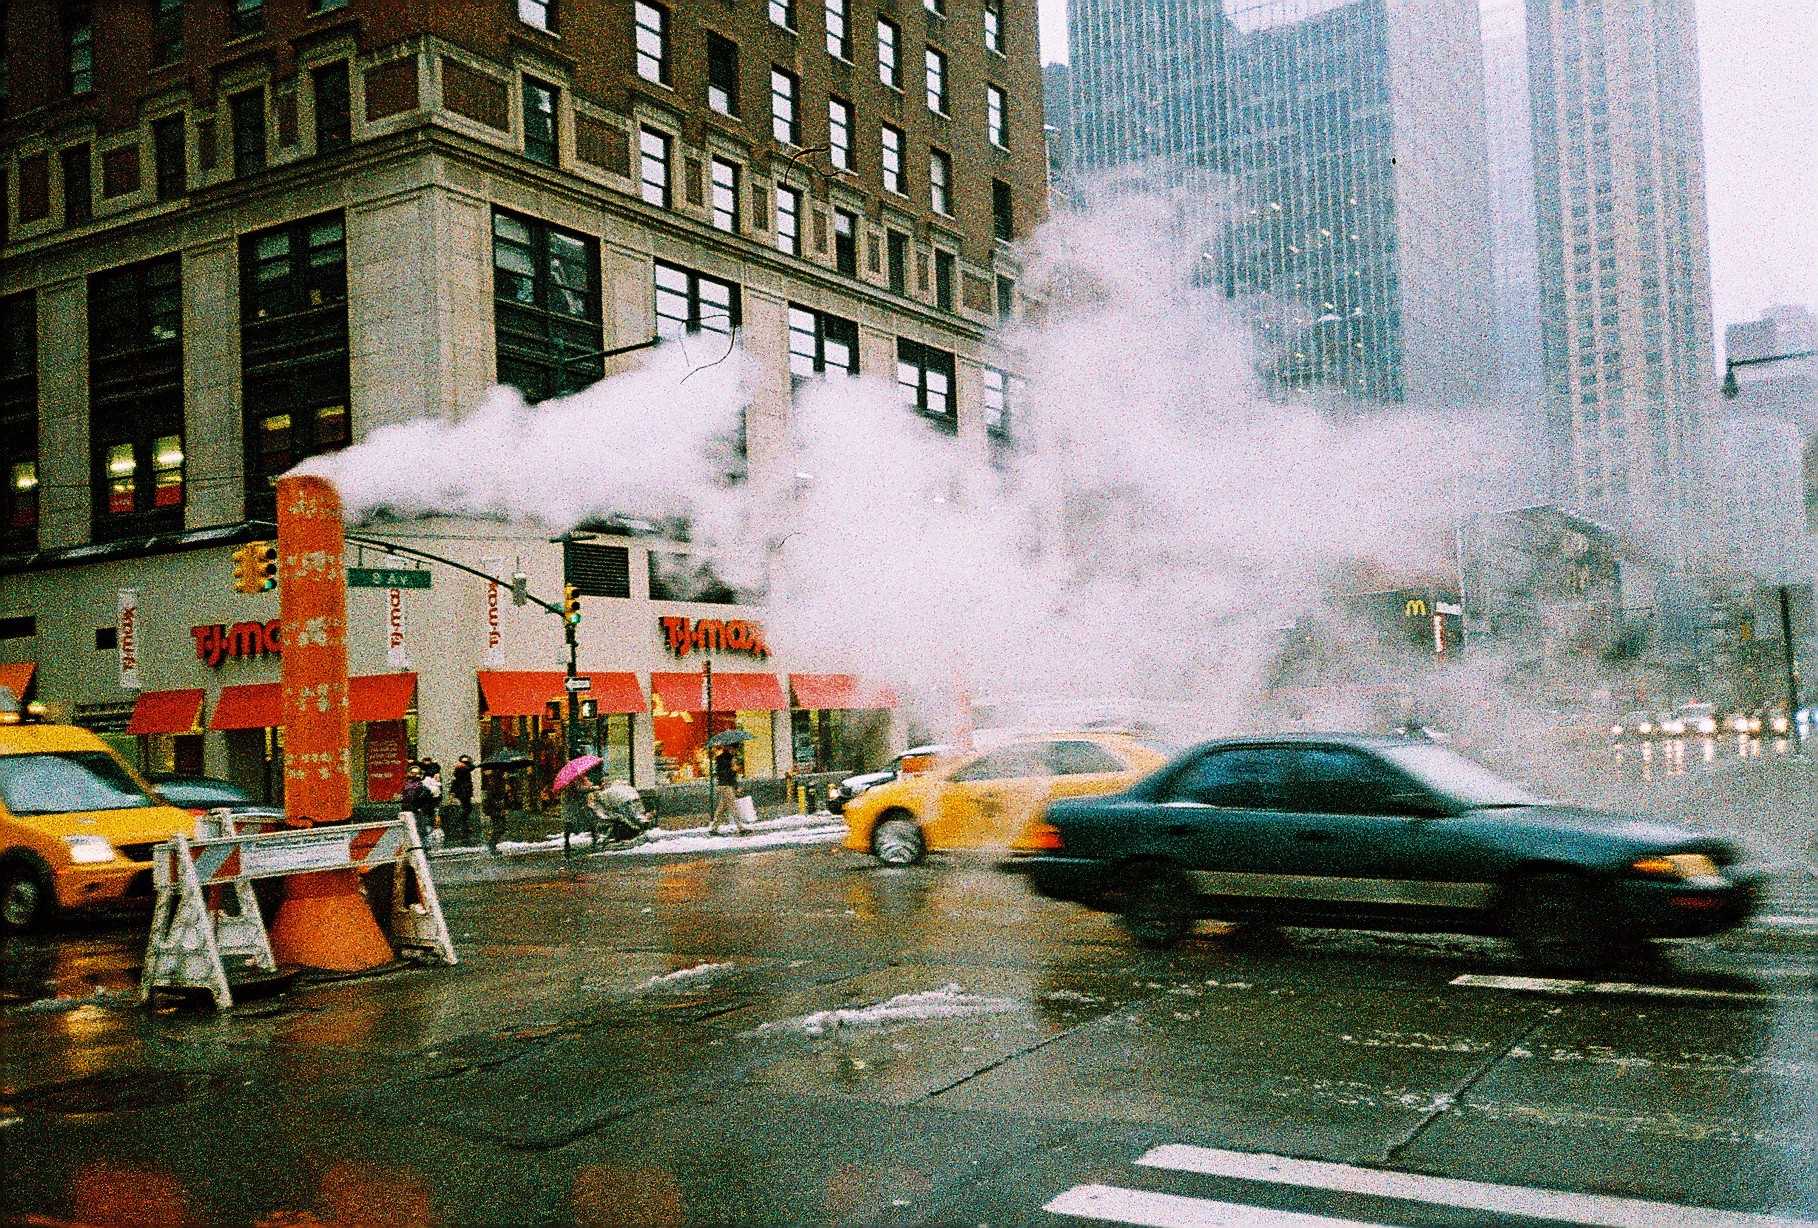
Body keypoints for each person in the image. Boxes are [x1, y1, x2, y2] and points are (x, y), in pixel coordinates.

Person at [586, 779, 652, 843]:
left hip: (625, 802)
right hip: (633, 799)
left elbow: (608, 808)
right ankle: (644, 829)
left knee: (633, 818)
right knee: (637, 817)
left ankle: (642, 830)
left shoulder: (604, 793)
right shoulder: (616, 789)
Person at [711, 745, 747, 835]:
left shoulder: (727, 758)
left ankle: (714, 827)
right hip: (725, 785)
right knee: (733, 806)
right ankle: (740, 827)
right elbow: (725, 774)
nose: (735, 751)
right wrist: (733, 770)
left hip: (725, 785)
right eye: (734, 749)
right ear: (730, 748)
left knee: (722, 807)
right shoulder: (725, 759)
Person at [449, 755, 475, 844]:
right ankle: (461, 823)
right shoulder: (460, 769)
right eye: (464, 763)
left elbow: (472, 767)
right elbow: (472, 767)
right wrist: (452, 791)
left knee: (467, 808)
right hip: (463, 792)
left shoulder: (460, 769)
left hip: (464, 792)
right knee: (467, 808)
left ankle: (463, 823)